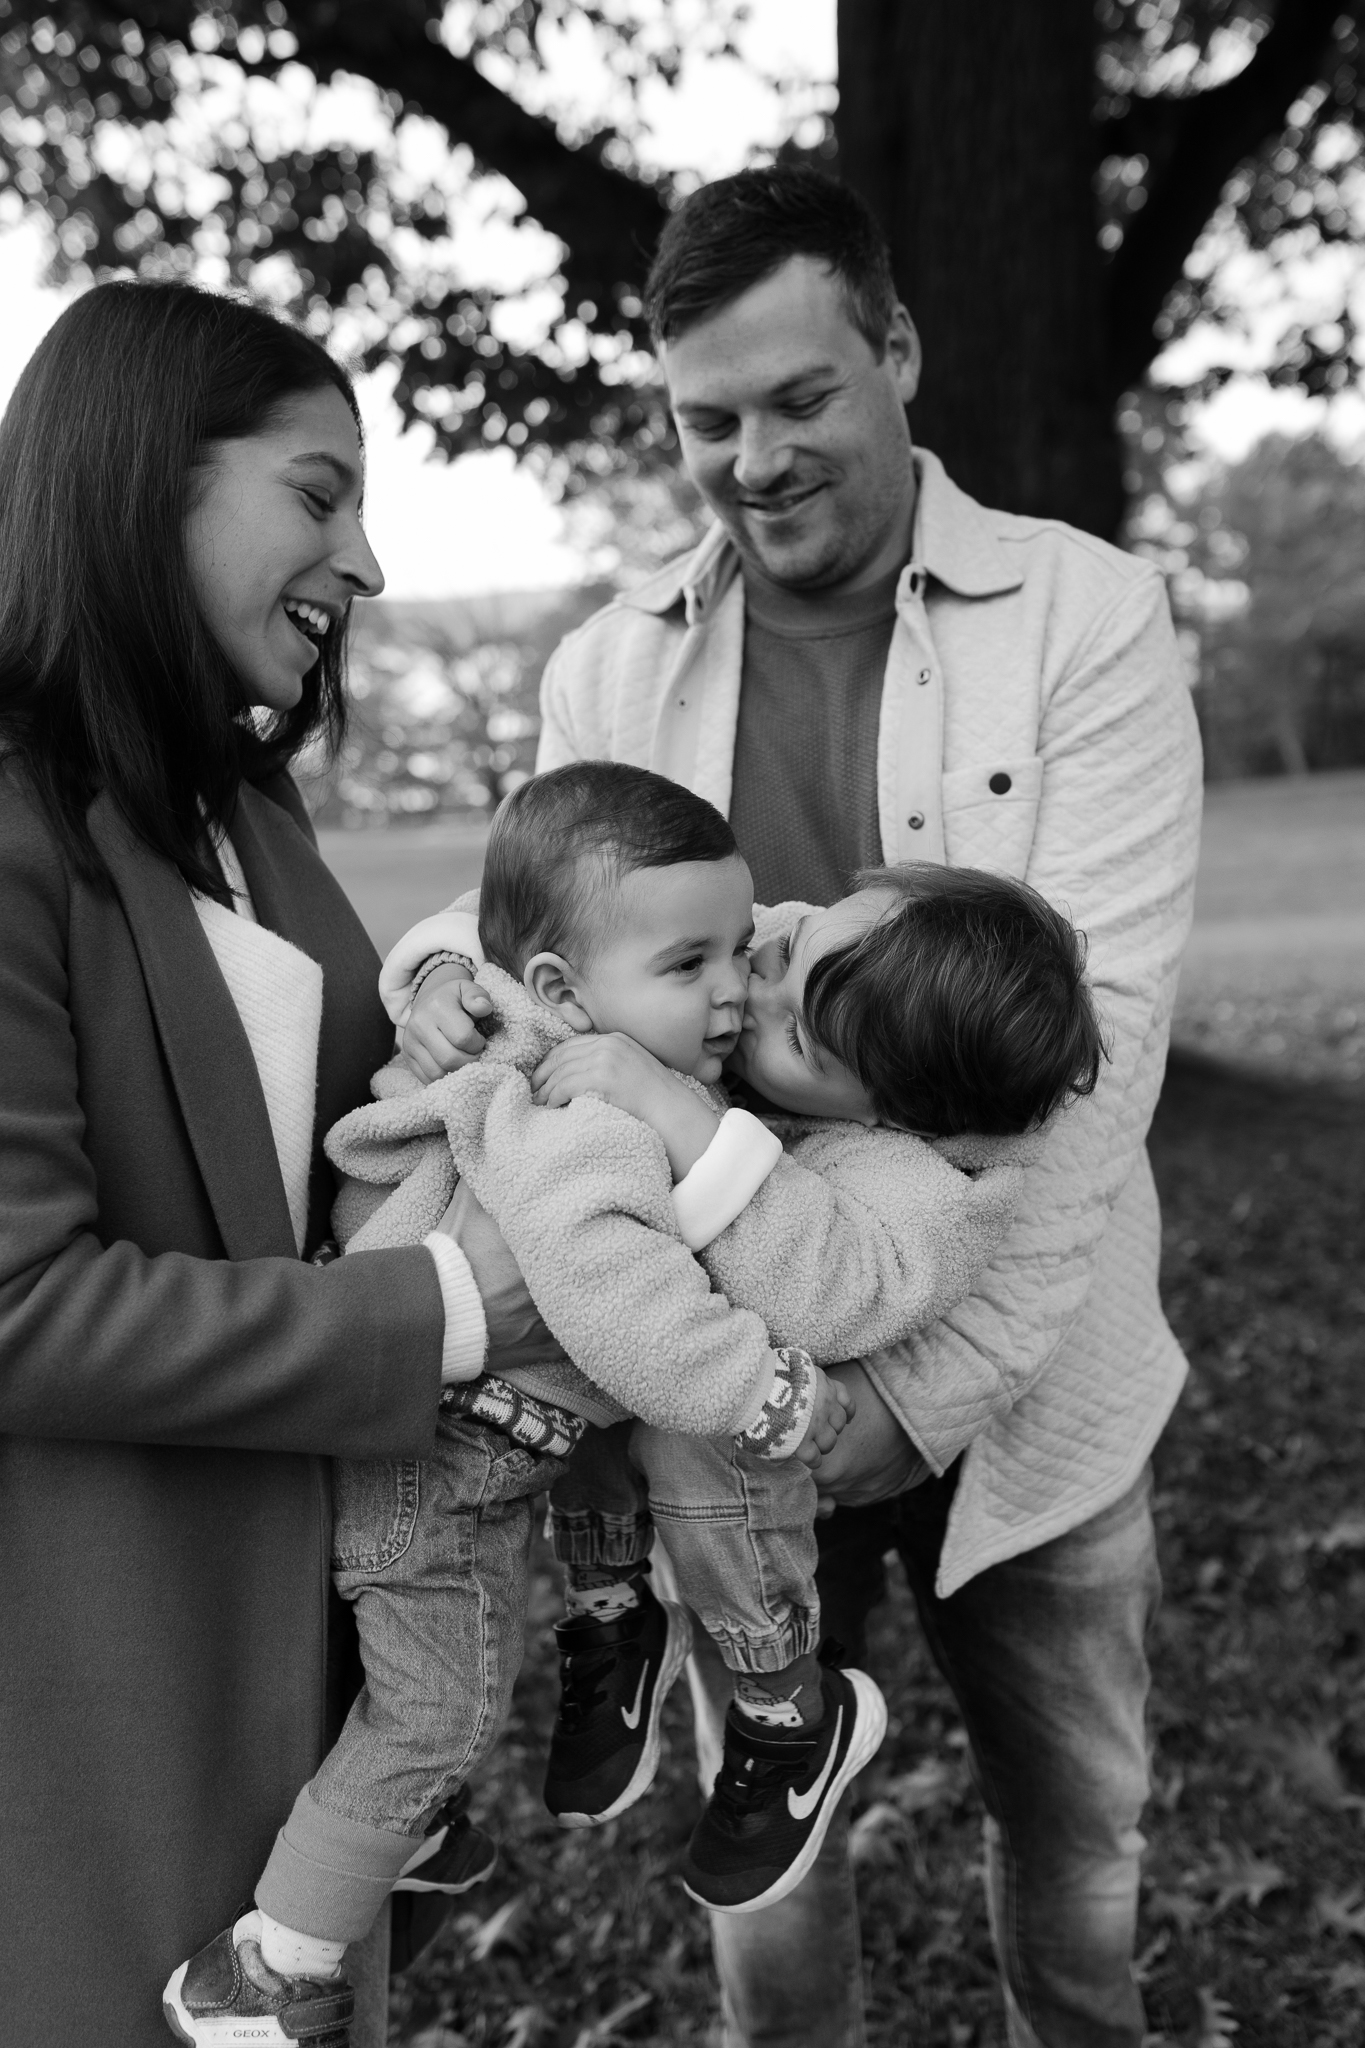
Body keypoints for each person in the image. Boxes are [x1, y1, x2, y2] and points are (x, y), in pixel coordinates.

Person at [508, 164, 1201, 2047]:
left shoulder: (1086, 615)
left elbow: (1096, 1056)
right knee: (772, 1832)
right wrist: (749, 1396)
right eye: (707, 418)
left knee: (1076, 1833)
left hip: (1021, 1365)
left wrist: (903, 1401)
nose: (755, 456)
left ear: (895, 352)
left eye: (802, 395)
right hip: (728, 1364)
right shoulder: (604, 669)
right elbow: (545, 994)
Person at [0, 281, 517, 2048]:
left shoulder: (244, 805)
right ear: (148, 482)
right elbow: (17, 1305)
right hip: (100, 1661)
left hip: (309, 1622)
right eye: (319, 491)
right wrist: (443, 1312)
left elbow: (346, 1118)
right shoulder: (7, 823)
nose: (364, 562)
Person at [364, 760, 1100, 1928]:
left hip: (764, 1410)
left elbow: (838, 1289)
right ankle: (615, 1610)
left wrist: (686, 1117)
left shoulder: (926, 1186)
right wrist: (447, 968)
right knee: (603, 1366)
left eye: (794, 1034)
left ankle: (786, 1714)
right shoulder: (802, 956)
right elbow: (570, 909)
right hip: (628, 1341)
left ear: (891, 1112)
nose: (742, 1000)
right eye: (768, 957)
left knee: (703, 1442)